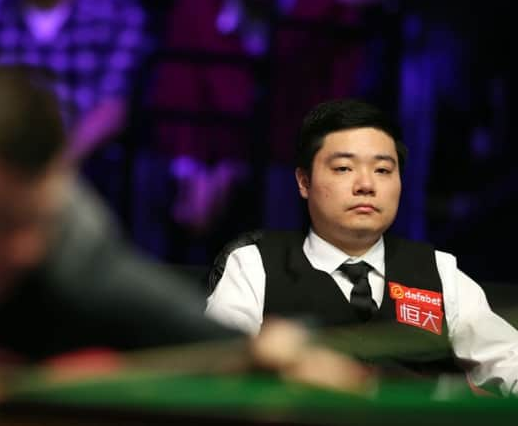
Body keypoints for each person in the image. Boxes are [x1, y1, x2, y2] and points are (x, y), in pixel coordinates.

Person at [0, 66, 372, 395]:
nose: (23, 249)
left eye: (38, 220)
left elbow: (175, 322)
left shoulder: (71, 257)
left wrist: (258, 351)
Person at [205, 98, 518, 396]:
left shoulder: (438, 270)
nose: (366, 185)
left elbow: (509, 361)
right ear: (304, 181)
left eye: (383, 170)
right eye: (343, 168)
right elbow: (215, 362)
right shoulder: (253, 264)